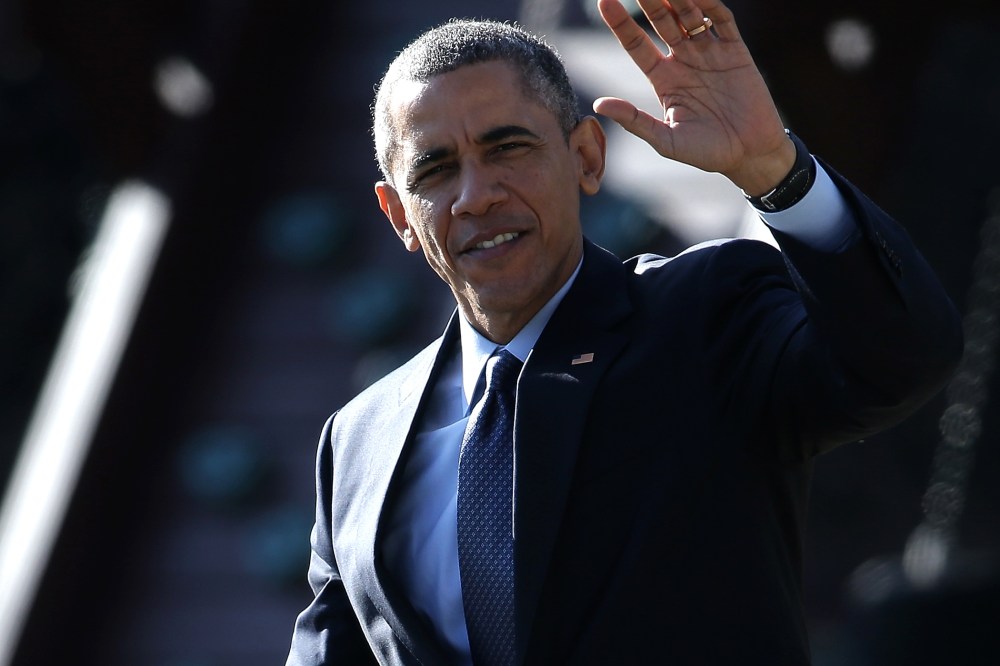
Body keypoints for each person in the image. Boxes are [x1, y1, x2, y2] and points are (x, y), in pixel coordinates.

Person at [285, 0, 962, 663]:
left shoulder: (703, 315)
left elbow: (900, 359)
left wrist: (776, 174)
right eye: (435, 170)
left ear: (586, 156)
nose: (476, 194)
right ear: (399, 215)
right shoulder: (357, 440)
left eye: (507, 147)